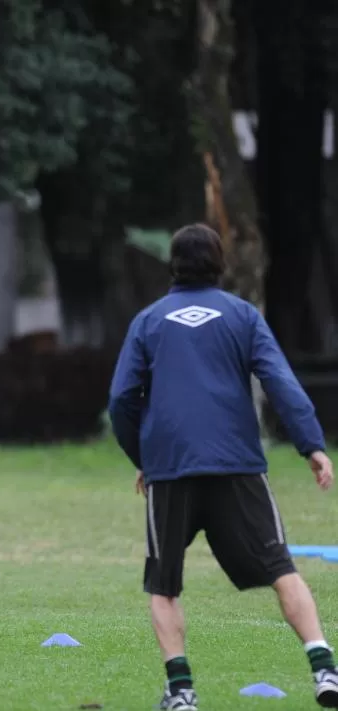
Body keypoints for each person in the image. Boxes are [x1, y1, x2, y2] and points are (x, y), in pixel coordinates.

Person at [108, 223, 338, 711]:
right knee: (282, 568)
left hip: (171, 469)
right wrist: (311, 445)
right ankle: (324, 670)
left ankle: (182, 691)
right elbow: (280, 381)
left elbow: (121, 399)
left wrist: (145, 458)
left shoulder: (149, 321)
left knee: (164, 583)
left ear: (173, 264)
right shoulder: (242, 316)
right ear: (221, 262)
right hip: (237, 464)